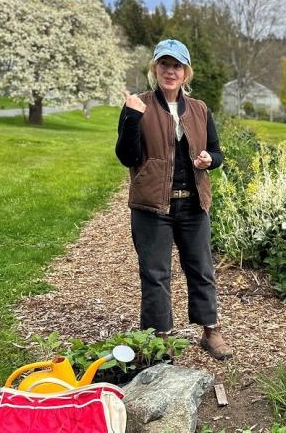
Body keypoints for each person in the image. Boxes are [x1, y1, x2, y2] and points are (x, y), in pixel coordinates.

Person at [115, 39, 233, 360]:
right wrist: (130, 120)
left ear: (185, 73)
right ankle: (159, 340)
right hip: (152, 207)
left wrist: (211, 159)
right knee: (155, 273)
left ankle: (211, 330)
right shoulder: (139, 105)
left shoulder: (199, 110)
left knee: (201, 268)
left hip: (192, 205)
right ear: (155, 68)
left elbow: (217, 151)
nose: (170, 71)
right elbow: (127, 156)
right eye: (164, 64)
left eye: (177, 65)